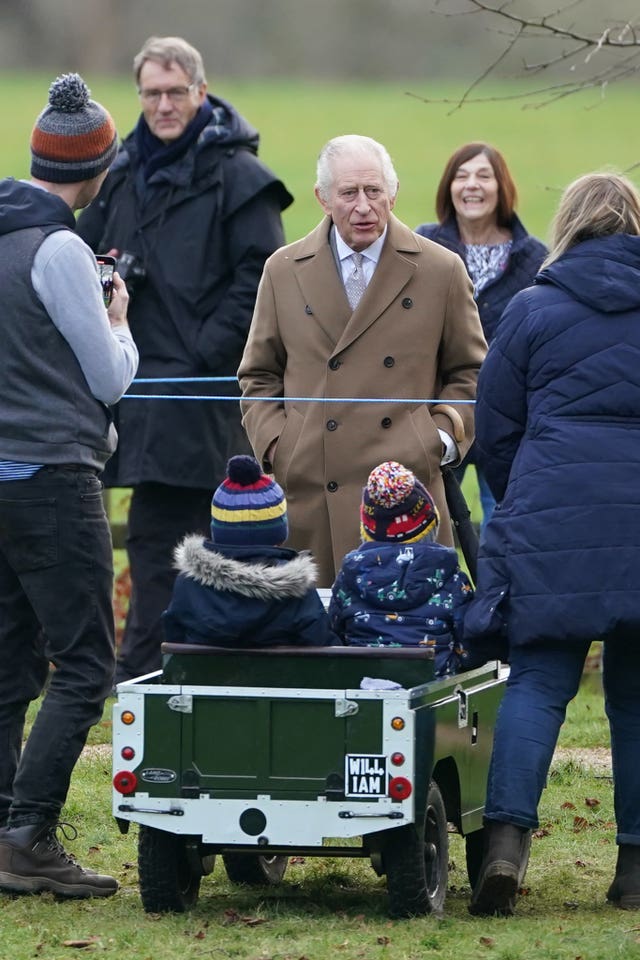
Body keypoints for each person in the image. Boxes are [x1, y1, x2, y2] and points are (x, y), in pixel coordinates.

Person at [77, 36, 294, 684]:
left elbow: (264, 276)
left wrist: (206, 348)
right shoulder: (120, 175)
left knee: (217, 543)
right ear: (139, 98)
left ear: (201, 92)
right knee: (149, 542)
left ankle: (208, 676)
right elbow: (79, 256)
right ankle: (146, 678)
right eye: (152, 94)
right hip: (139, 388)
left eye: (175, 92)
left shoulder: (240, 179)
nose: (164, 105)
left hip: (205, 395)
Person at [463, 172, 640, 916]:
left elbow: (492, 430)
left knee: (536, 684)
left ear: (566, 224)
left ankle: (504, 850)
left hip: (552, 517)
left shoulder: (532, 309)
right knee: (636, 703)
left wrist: (530, 491)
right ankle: (634, 873)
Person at [0, 74, 138, 897]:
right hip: (51, 475)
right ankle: (29, 834)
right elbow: (110, 378)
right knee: (86, 663)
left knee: (8, 663)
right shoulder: (60, 249)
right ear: (99, 170)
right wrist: (118, 314)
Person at [238, 134, 487, 587]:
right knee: (315, 647)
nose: (363, 206)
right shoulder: (283, 269)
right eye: (349, 193)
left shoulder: (440, 269)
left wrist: (439, 440)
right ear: (323, 198)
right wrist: (280, 445)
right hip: (311, 496)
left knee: (402, 648)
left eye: (374, 191)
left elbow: (470, 373)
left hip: (406, 496)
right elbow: (258, 374)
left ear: (393, 194)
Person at [415, 142, 547, 529]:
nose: (472, 185)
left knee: (502, 534)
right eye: (462, 175)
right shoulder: (420, 247)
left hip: (508, 424)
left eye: (484, 176)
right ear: (448, 187)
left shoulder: (535, 258)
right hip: (437, 417)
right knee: (427, 533)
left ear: (502, 187)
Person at [162, 455, 335, 648]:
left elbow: (174, 644)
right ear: (280, 533)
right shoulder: (296, 592)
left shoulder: (189, 585)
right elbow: (323, 647)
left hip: (201, 677)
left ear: (218, 529)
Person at [329, 461, 473, 676]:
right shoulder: (451, 577)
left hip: (361, 688)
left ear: (367, 528)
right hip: (435, 692)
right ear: (430, 523)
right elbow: (469, 645)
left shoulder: (348, 577)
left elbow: (335, 634)